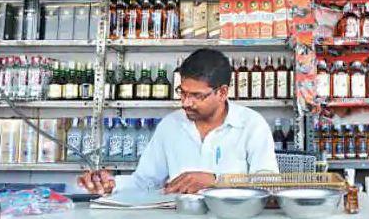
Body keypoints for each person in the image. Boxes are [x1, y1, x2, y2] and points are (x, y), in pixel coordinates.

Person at [77, 49, 279, 195]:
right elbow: (146, 181)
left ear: (222, 92)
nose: (186, 102)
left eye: (197, 96)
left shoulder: (251, 124)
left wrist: (216, 181)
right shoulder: (170, 125)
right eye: (183, 93)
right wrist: (110, 184)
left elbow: (269, 184)